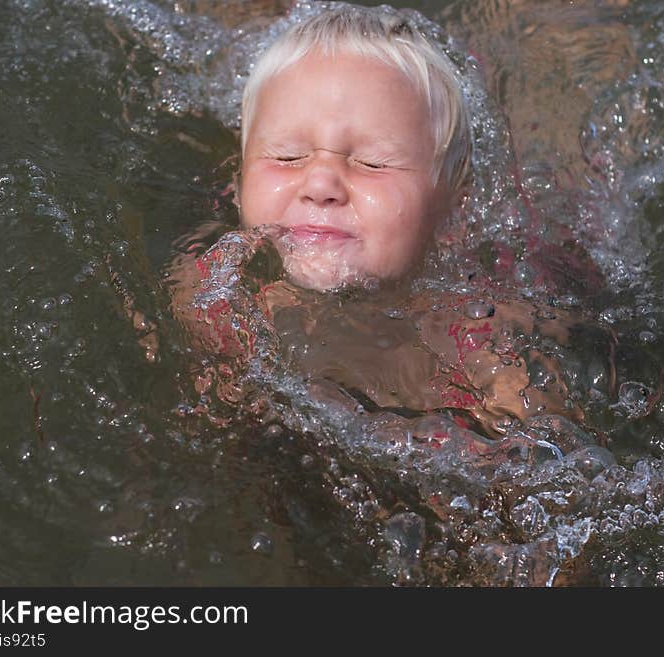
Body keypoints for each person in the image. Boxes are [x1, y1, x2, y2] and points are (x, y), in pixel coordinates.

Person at [168, 4, 615, 442]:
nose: (320, 181)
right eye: (287, 157)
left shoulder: (487, 343)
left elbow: (547, 471)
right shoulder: (208, 291)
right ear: (239, 179)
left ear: (452, 206)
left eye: (372, 162)